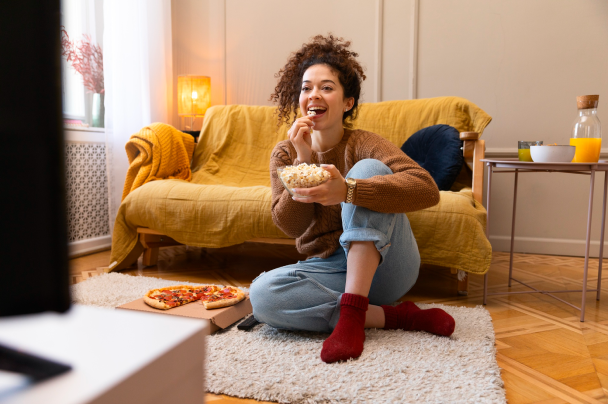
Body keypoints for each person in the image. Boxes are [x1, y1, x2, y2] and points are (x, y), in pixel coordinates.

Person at [249, 34, 455, 364]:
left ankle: (353, 314)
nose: (313, 94)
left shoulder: (363, 142)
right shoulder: (285, 153)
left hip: (388, 266)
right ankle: (396, 317)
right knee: (261, 297)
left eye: (327, 87)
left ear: (348, 103)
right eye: (306, 88)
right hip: (330, 270)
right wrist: (303, 163)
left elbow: (426, 189)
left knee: (368, 168)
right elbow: (292, 225)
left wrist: (348, 191)